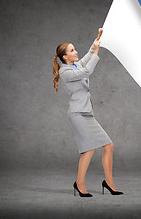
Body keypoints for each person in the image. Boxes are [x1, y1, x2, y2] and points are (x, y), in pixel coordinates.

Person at [52, 28, 123, 197]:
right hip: (77, 114)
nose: (76, 52)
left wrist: (97, 40)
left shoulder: (76, 64)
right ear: (64, 57)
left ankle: (108, 182)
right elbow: (86, 71)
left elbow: (88, 56)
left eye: (75, 49)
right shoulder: (66, 72)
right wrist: (97, 53)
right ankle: (80, 184)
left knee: (108, 145)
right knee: (89, 150)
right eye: (72, 50)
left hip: (87, 113)